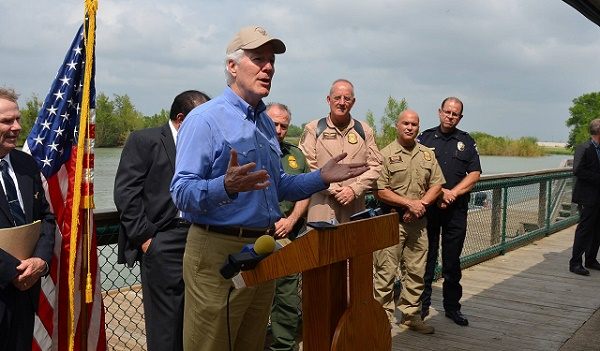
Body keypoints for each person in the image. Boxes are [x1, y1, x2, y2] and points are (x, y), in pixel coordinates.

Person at [169, 25, 368, 351]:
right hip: (217, 251)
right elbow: (181, 193)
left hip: (262, 250)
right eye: (258, 58)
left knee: (251, 343)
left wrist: (321, 178)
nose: (268, 67)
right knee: (210, 345)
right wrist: (226, 186)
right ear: (232, 66)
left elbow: (277, 186)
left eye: (271, 61)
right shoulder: (204, 119)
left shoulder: (263, 122)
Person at [114, 90, 210, 350]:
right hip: (163, 240)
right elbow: (126, 193)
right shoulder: (145, 140)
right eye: (202, 119)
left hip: (201, 238)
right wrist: (146, 239)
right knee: (166, 324)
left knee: (199, 320)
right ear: (181, 118)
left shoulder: (206, 145)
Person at [372, 109, 444, 334]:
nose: (410, 127)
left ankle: (411, 316)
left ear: (418, 127)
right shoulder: (384, 155)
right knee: (385, 272)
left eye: (414, 124)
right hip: (391, 221)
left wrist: (419, 205)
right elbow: (380, 190)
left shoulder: (427, 155)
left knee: (416, 271)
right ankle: (380, 319)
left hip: (418, 222)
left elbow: (437, 185)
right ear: (397, 125)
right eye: (405, 123)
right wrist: (408, 204)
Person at [418, 97, 482, 326]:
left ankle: (452, 308)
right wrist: (438, 194)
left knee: (452, 262)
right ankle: (422, 308)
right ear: (439, 112)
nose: (450, 116)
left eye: (455, 114)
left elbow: (474, 174)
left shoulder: (466, 141)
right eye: (447, 112)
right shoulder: (425, 138)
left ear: (460, 117)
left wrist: (452, 193)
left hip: (456, 211)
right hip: (431, 209)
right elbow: (417, 172)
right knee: (427, 259)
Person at [0, 88, 55, 351]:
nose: (17, 127)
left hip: (25, 293)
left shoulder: (26, 164)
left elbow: (46, 218)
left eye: (18, 119)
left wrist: (40, 261)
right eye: (7, 121)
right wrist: (13, 271)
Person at [298, 79, 382, 223]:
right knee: (320, 245)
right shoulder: (313, 129)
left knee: (354, 245)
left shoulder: (364, 130)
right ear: (328, 100)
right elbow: (307, 165)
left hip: (355, 208)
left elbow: (375, 165)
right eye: (337, 98)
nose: (342, 102)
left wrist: (354, 189)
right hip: (321, 205)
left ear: (353, 102)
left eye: (347, 98)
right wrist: (334, 189)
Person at [265, 102, 309, 351]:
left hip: (286, 235)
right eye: (274, 124)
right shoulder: (246, 150)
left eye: (284, 125)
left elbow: (305, 191)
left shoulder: (296, 155)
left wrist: (291, 220)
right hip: (252, 236)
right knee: (250, 297)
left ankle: (283, 346)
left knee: (286, 299)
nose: (280, 130)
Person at [568, 118, 600, 276]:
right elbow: (577, 170)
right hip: (587, 197)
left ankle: (591, 259)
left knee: (597, 230)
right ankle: (575, 263)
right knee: (585, 229)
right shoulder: (584, 147)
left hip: (598, 196)